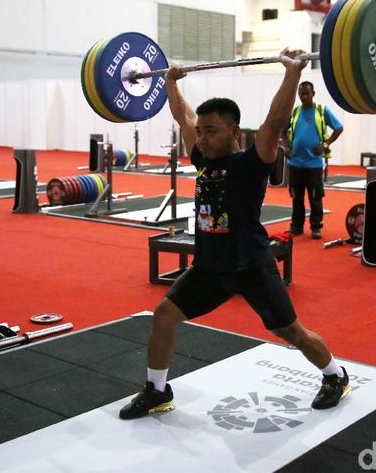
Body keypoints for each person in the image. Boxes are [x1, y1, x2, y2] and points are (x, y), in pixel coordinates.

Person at [119, 49, 350, 420]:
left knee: (292, 332)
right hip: (209, 267)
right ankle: (157, 391)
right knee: (163, 315)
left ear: (233, 131)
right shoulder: (203, 158)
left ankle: (335, 375)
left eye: (211, 131)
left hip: (250, 264)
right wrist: (170, 83)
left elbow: (274, 123)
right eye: (201, 132)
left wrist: (291, 73)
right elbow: (184, 117)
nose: (202, 137)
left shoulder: (251, 164)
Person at [283, 81, 343, 239]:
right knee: (296, 197)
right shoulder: (295, 112)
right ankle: (296, 226)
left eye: (307, 93)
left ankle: (316, 227)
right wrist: (287, 146)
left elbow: (339, 128)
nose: (304, 96)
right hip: (295, 164)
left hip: (314, 164)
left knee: (315, 197)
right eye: (301, 94)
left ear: (313, 94)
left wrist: (325, 144)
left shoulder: (322, 111)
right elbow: (282, 131)